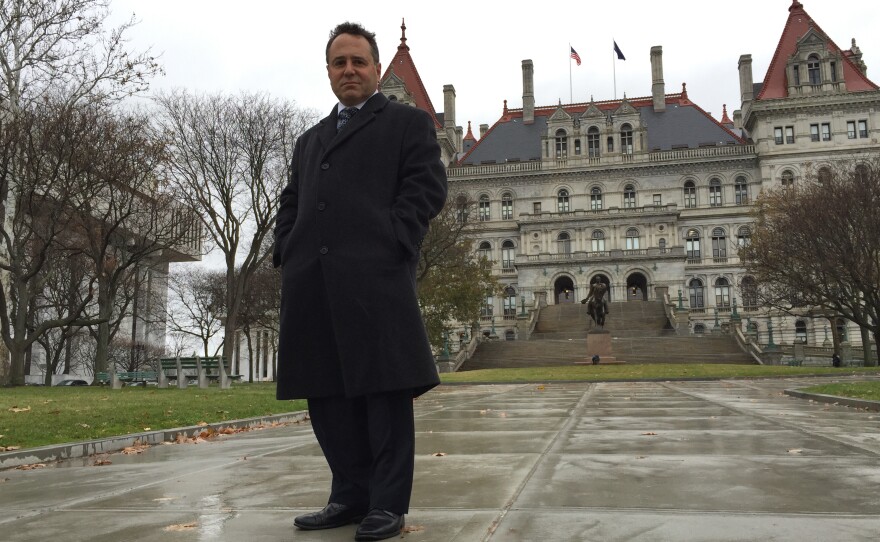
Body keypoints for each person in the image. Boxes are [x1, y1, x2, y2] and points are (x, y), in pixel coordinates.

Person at [272, 22, 448, 541]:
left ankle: (387, 504)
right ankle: (348, 494)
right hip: (313, 281)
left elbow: (426, 185)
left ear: (374, 69)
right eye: (338, 62)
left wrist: (396, 237)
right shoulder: (310, 140)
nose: (349, 70)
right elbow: (291, 202)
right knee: (325, 394)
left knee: (383, 392)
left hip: (375, 277)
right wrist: (287, 247)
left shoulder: (405, 124)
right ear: (329, 71)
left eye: (358, 62)